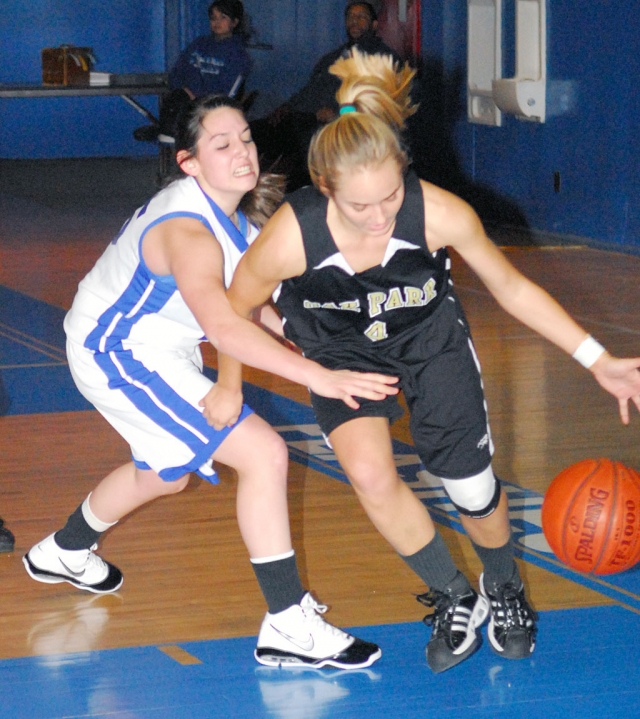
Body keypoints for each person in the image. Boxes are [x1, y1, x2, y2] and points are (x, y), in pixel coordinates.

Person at [224, 50, 640, 674]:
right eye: (359, 206)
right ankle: (453, 594)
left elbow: (510, 287)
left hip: (428, 340)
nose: (379, 215)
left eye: (390, 195)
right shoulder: (290, 234)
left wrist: (596, 358)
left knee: (470, 488)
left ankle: (503, 586)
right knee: (369, 474)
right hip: (339, 354)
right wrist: (233, 386)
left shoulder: (439, 212)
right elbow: (233, 308)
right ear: (326, 189)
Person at [24, 93, 400, 670]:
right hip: (117, 350)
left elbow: (252, 303)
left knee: (165, 473)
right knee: (265, 454)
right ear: (190, 163)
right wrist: (318, 375)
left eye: (245, 137)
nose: (242, 151)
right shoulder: (188, 231)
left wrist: (315, 339)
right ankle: (287, 622)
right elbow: (225, 325)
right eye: (222, 145)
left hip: (155, 346)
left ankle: (65, 549)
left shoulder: (237, 218)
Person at [251, 1, 402, 190]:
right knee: (254, 133)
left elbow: (383, 106)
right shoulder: (332, 58)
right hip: (308, 121)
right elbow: (309, 90)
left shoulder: (385, 59)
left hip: (348, 131)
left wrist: (339, 116)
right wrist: (286, 107)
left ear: (374, 25)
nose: (354, 21)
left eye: (361, 17)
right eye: (350, 17)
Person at [135, 0, 251, 144]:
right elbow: (177, 72)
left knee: (182, 107)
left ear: (234, 22)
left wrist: (196, 95)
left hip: (212, 104)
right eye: (213, 18)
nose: (217, 22)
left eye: (223, 17)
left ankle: (165, 132)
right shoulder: (199, 44)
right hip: (186, 97)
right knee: (176, 98)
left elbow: (227, 92)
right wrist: (184, 89)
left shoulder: (239, 55)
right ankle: (167, 132)